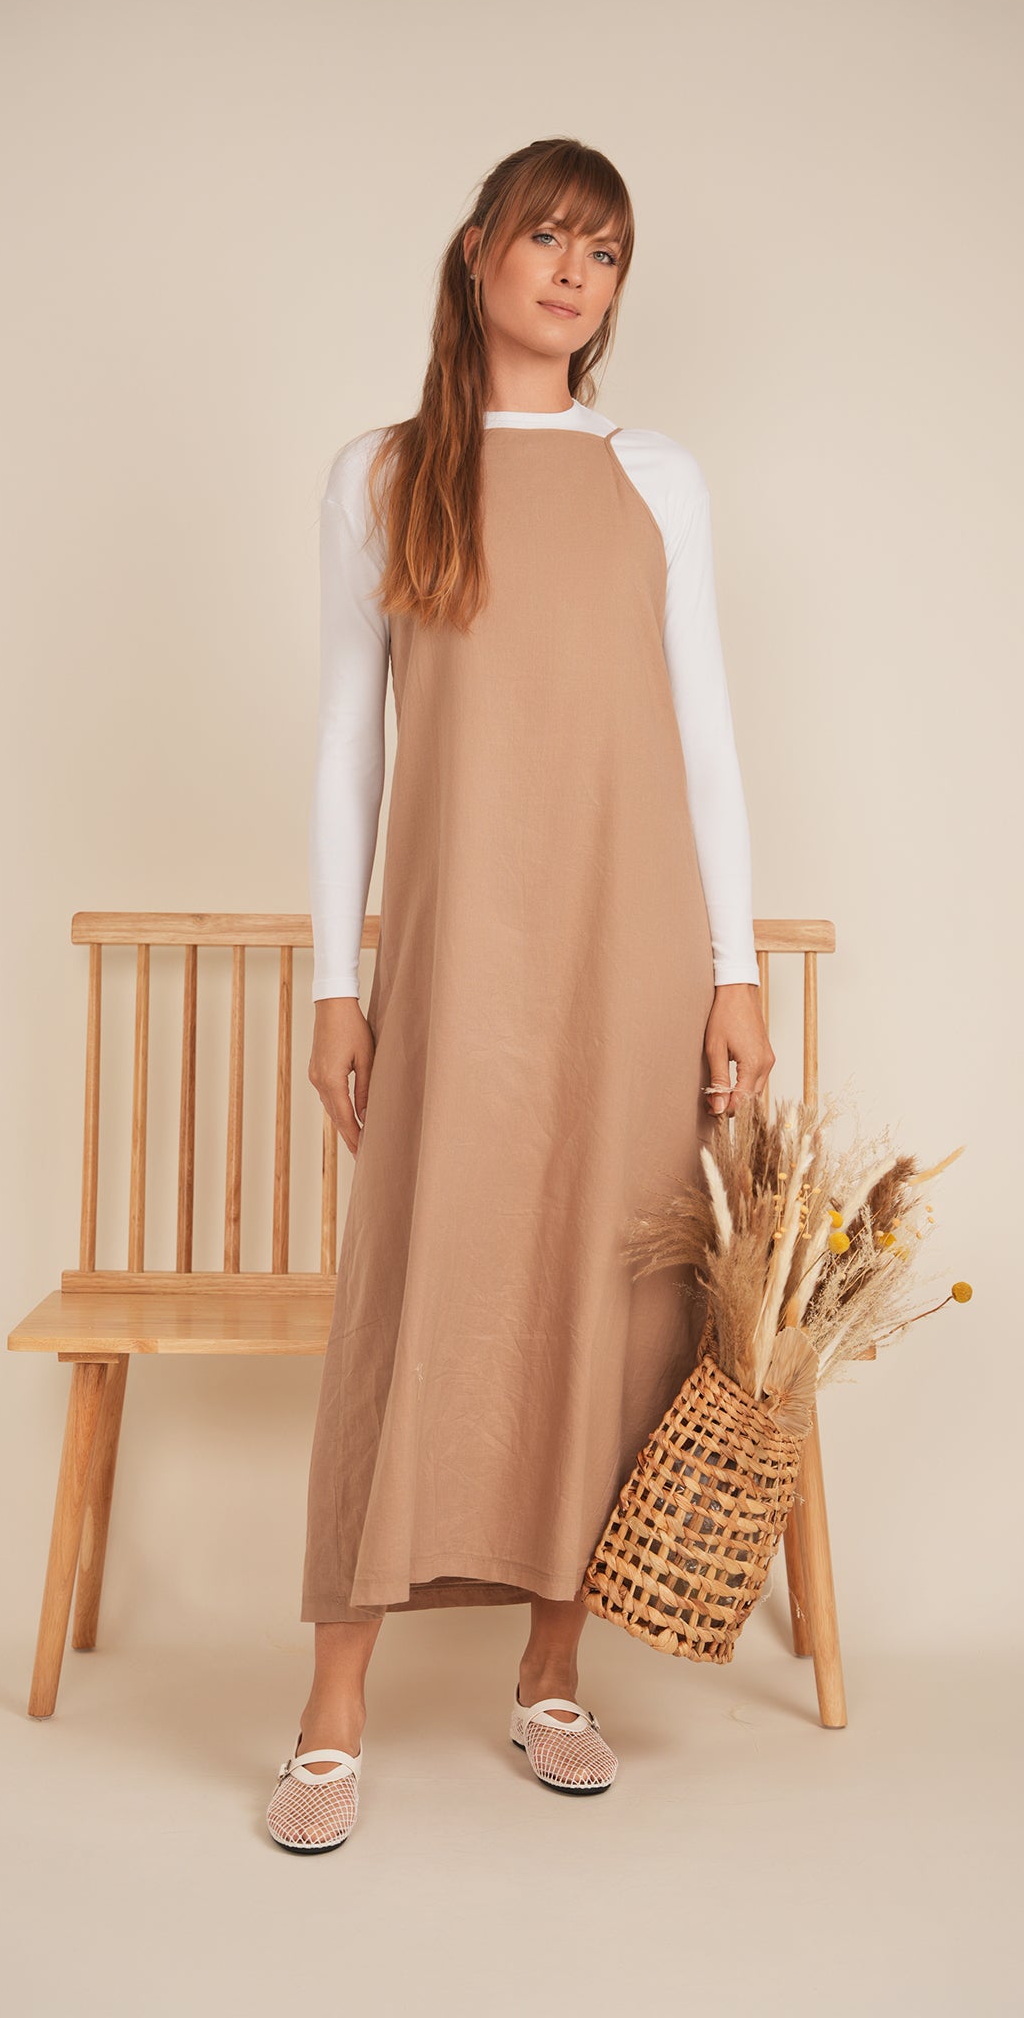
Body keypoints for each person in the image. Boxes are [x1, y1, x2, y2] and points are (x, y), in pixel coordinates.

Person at [266, 137, 775, 1854]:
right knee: (415, 1281)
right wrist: (337, 981)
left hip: (632, 943)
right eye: (548, 236)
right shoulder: (382, 471)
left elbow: (703, 732)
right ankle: (331, 1710)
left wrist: (731, 970)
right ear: (478, 248)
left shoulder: (655, 476)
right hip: (457, 946)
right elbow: (348, 742)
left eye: (604, 252)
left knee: (604, 1291)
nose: (573, 273)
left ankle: (551, 1673)